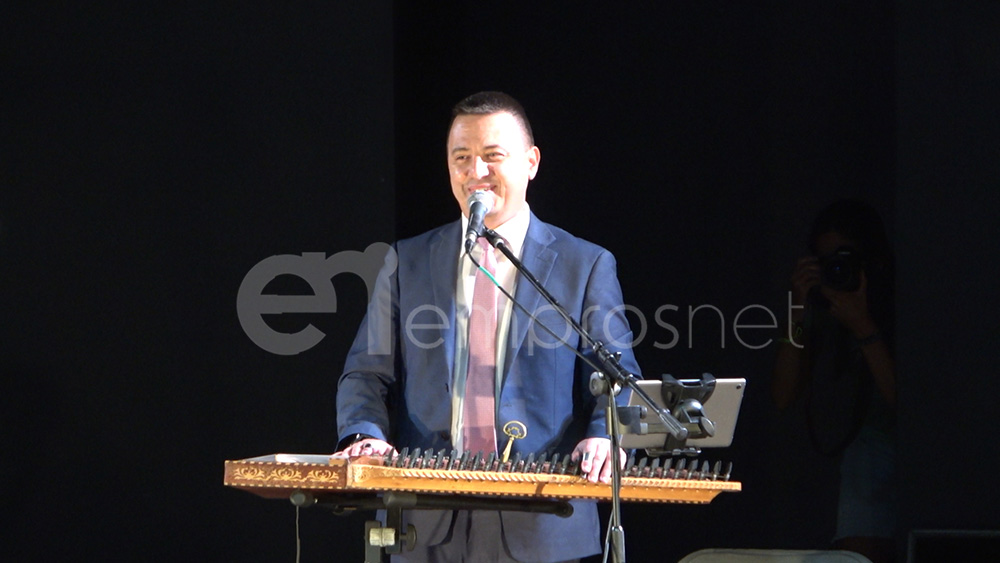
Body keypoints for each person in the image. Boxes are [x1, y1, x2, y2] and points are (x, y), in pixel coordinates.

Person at [335, 91, 640, 562]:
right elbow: (365, 373)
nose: (475, 171)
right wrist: (363, 434)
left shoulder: (584, 264)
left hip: (541, 517)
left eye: (492, 156)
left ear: (531, 162)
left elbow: (618, 377)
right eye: (461, 158)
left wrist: (605, 435)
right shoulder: (408, 261)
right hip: (424, 516)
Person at [771, 199, 897, 563]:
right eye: (826, 262)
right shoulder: (823, 309)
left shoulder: (903, 301)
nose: (837, 270)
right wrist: (798, 309)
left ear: (872, 259)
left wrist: (864, 327)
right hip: (851, 457)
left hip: (907, 453)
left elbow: (911, 408)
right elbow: (782, 396)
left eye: (845, 259)